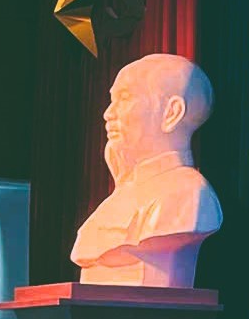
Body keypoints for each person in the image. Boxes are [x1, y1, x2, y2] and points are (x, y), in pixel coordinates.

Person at [71, 53, 223, 288]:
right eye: (112, 100)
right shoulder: (119, 197)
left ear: (171, 112)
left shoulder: (190, 195)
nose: (108, 113)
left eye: (124, 98)